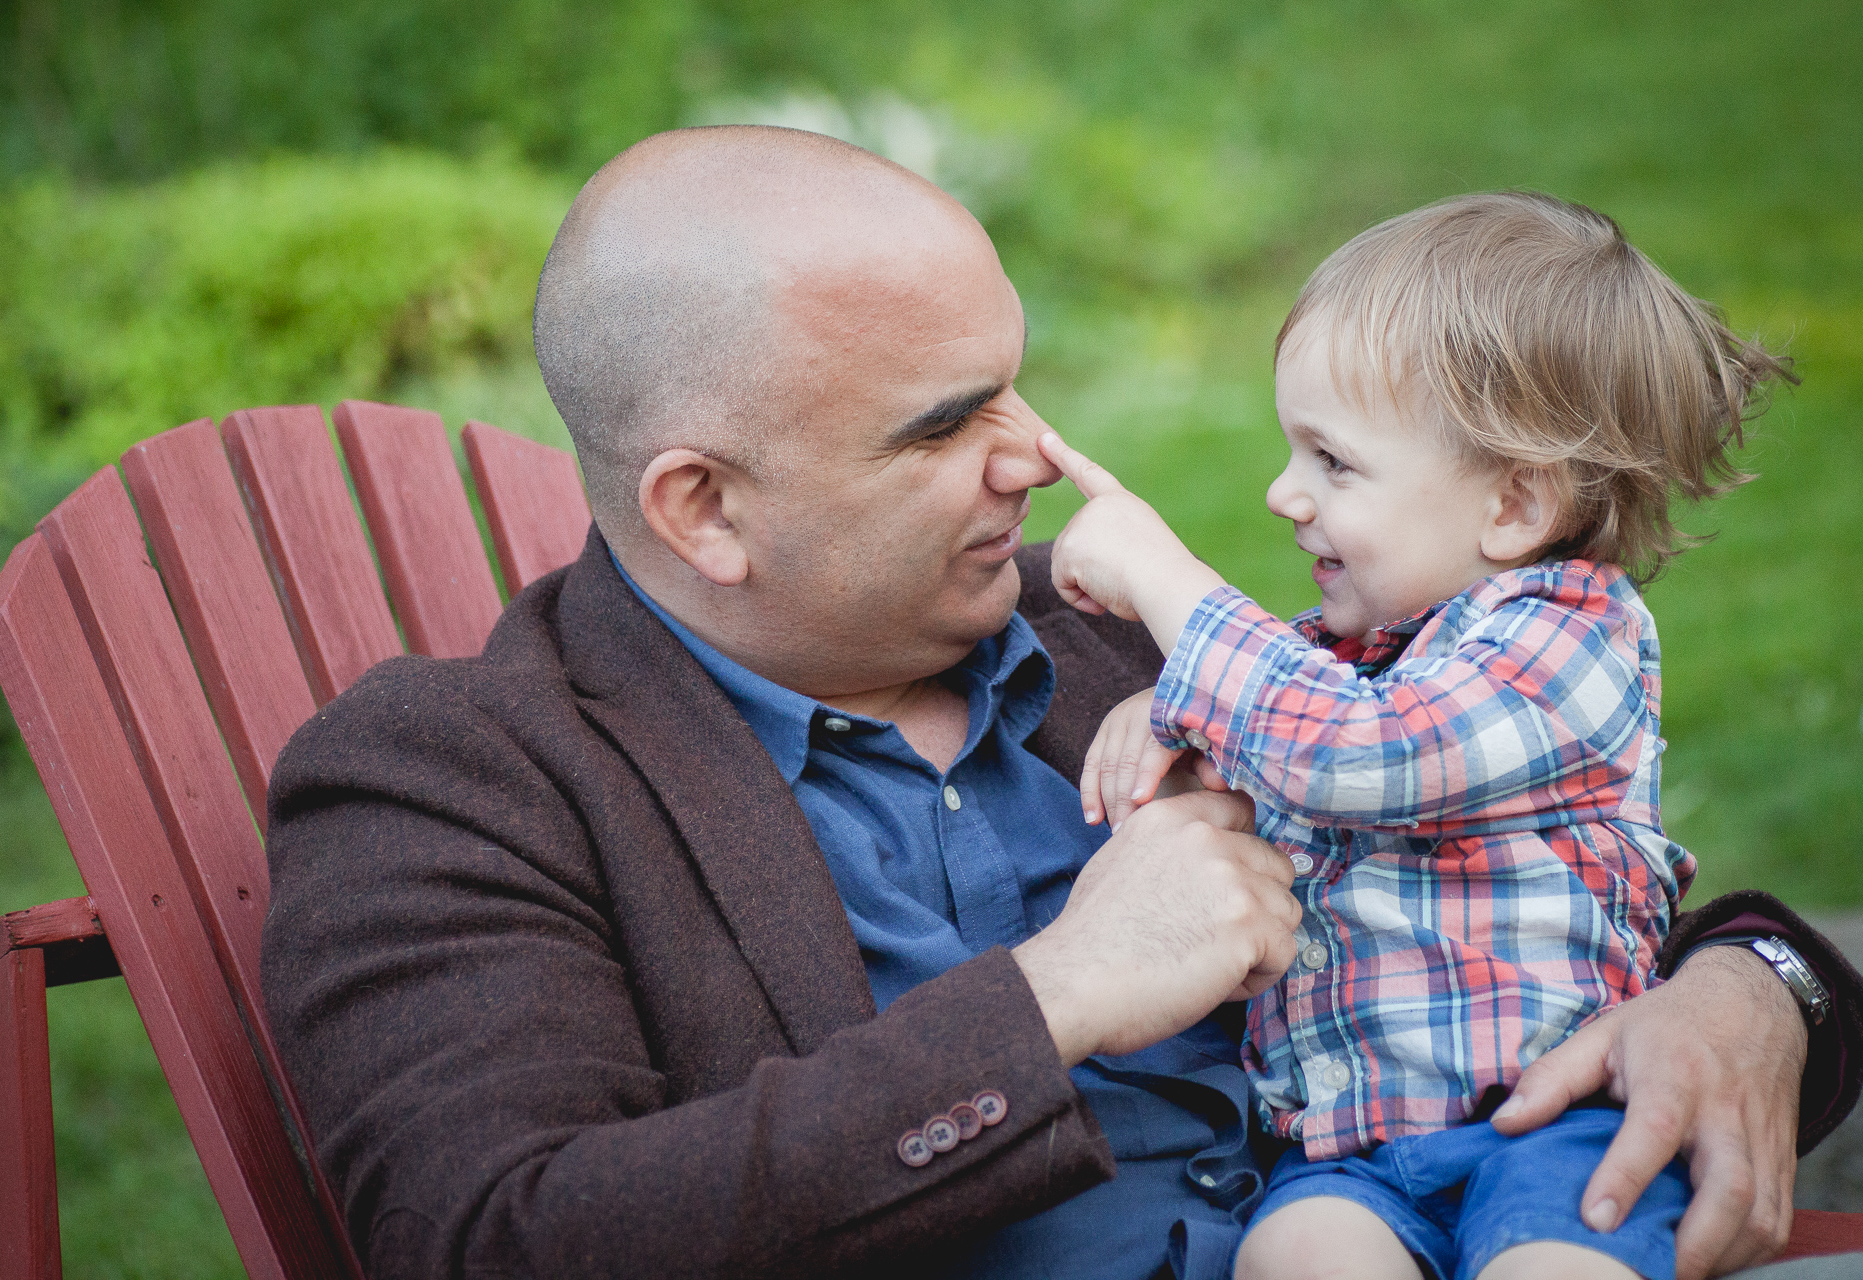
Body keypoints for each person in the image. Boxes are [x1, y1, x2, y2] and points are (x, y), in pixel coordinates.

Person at [259, 128, 1860, 1280]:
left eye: (1016, 384)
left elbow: (1521, 868)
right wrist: (1063, 993)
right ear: (704, 509)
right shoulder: (457, 777)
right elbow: (496, 1236)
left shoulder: (1097, 645)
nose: (1030, 456)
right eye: (946, 424)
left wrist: (1763, 990)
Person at [1036, 192, 1801, 1280]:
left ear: (1512, 507)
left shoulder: (1571, 635)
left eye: (1332, 463)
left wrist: (1168, 579)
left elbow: (1367, 756)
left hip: (1553, 1123)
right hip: (1349, 1150)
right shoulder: (1340, 660)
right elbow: (1279, 710)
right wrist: (1163, 714)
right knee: (1292, 1256)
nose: (1282, 493)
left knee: (1554, 1265)